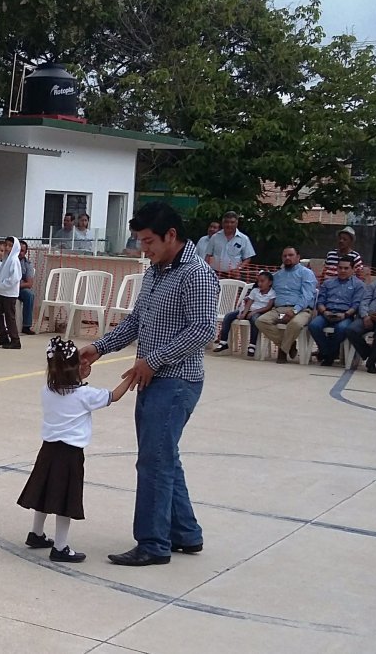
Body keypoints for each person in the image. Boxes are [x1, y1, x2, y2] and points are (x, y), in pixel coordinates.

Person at [79, 201, 217, 566]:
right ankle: (185, 533)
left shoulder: (197, 274)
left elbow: (203, 329)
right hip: (152, 379)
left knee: (153, 462)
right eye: (140, 241)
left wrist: (153, 360)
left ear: (171, 235)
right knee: (164, 457)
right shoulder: (156, 271)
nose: (144, 248)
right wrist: (98, 348)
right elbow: (136, 321)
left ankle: (154, 543)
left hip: (177, 382)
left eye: (149, 241)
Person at [18, 336, 135, 563]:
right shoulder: (85, 395)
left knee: (44, 492)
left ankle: (36, 533)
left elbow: (65, 384)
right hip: (70, 454)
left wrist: (75, 374)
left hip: (48, 450)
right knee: (65, 500)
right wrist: (130, 379)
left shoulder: (47, 391)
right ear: (77, 369)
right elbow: (114, 396)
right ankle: (60, 547)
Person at [255, 247, 317, 364]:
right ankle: (289, 344)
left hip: (301, 309)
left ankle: (282, 351)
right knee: (260, 321)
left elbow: (307, 295)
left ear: (298, 257)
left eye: (290, 255)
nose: (287, 258)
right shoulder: (276, 276)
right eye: (285, 256)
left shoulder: (306, 273)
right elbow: (266, 290)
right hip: (279, 309)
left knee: (295, 323)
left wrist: (294, 310)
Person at [307, 258, 365, 366]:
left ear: (352, 270)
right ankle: (328, 352)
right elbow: (320, 301)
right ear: (337, 269)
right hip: (326, 313)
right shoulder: (328, 283)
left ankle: (328, 355)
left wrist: (345, 314)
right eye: (340, 268)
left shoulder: (358, 285)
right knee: (314, 325)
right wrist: (324, 312)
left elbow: (356, 305)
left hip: (346, 315)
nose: (342, 270)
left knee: (342, 328)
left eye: (346, 268)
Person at [213, 270, 275, 357]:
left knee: (254, 320)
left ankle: (252, 345)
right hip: (248, 310)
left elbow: (268, 307)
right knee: (228, 316)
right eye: (258, 281)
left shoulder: (272, 293)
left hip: (259, 312)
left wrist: (254, 312)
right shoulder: (255, 291)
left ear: (270, 283)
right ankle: (223, 342)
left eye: (262, 281)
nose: (260, 283)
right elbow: (249, 303)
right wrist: (243, 313)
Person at [0, 237, 23, 350]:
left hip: (10, 294)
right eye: (6, 245)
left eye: (10, 246)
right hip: (4, 292)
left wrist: (3, 284)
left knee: (10, 317)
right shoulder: (6, 259)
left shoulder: (14, 260)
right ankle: (3, 336)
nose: (7, 248)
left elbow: (15, 278)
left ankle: (15, 340)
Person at [205, 211, 256, 276]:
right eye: (226, 222)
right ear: (223, 223)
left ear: (236, 223)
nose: (229, 225)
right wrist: (206, 270)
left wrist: (239, 268)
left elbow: (247, 258)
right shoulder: (215, 237)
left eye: (232, 222)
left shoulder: (244, 239)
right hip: (215, 273)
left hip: (234, 274)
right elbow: (208, 256)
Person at [18, 240, 37, 335]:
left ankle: (26, 326)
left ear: (25, 253)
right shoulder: (6, 260)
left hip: (19, 290)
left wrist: (16, 286)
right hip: (5, 288)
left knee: (29, 295)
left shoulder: (27, 264)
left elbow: (29, 284)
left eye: (22, 251)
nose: (19, 252)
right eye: (18, 249)